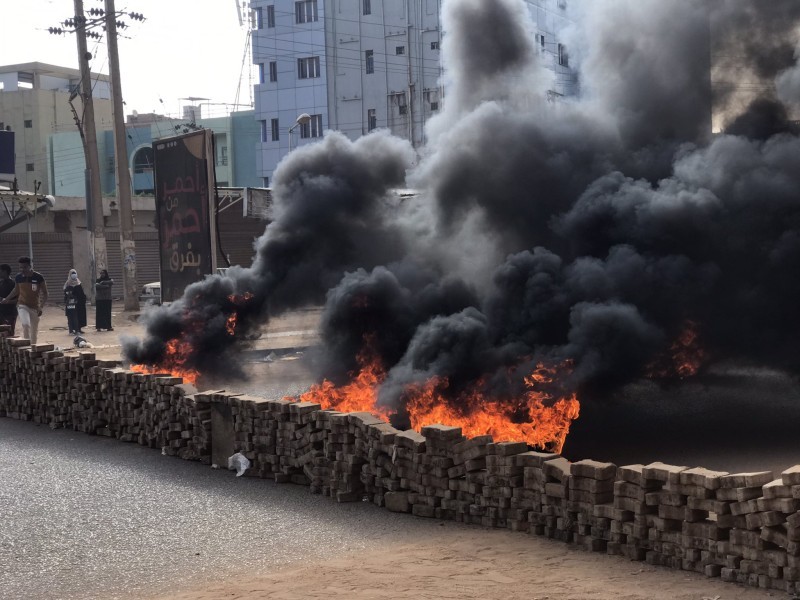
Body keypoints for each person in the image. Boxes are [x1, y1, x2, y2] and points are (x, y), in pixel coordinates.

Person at [0, 256, 48, 344]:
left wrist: (41, 307)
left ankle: (32, 349)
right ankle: (26, 345)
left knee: (34, 331)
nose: (22, 269)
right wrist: (6, 299)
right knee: (26, 324)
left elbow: (45, 293)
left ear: (30, 266)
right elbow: (16, 290)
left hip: (35, 307)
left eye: (24, 267)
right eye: (20, 267)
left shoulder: (38, 277)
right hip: (22, 305)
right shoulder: (18, 277)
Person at [63, 269, 86, 335]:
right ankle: (71, 330)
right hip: (70, 303)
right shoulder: (68, 283)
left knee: (77, 316)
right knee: (70, 317)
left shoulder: (78, 282)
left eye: (75, 273)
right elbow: (66, 293)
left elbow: (81, 292)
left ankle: (78, 329)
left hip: (79, 303)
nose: (74, 275)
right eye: (72, 273)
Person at [0, 263, 18, 335]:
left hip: (10, 313)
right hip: (1, 313)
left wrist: (7, 301)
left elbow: (18, 300)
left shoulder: (14, 284)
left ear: (5, 272)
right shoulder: (0, 283)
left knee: (9, 333)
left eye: (0, 271)